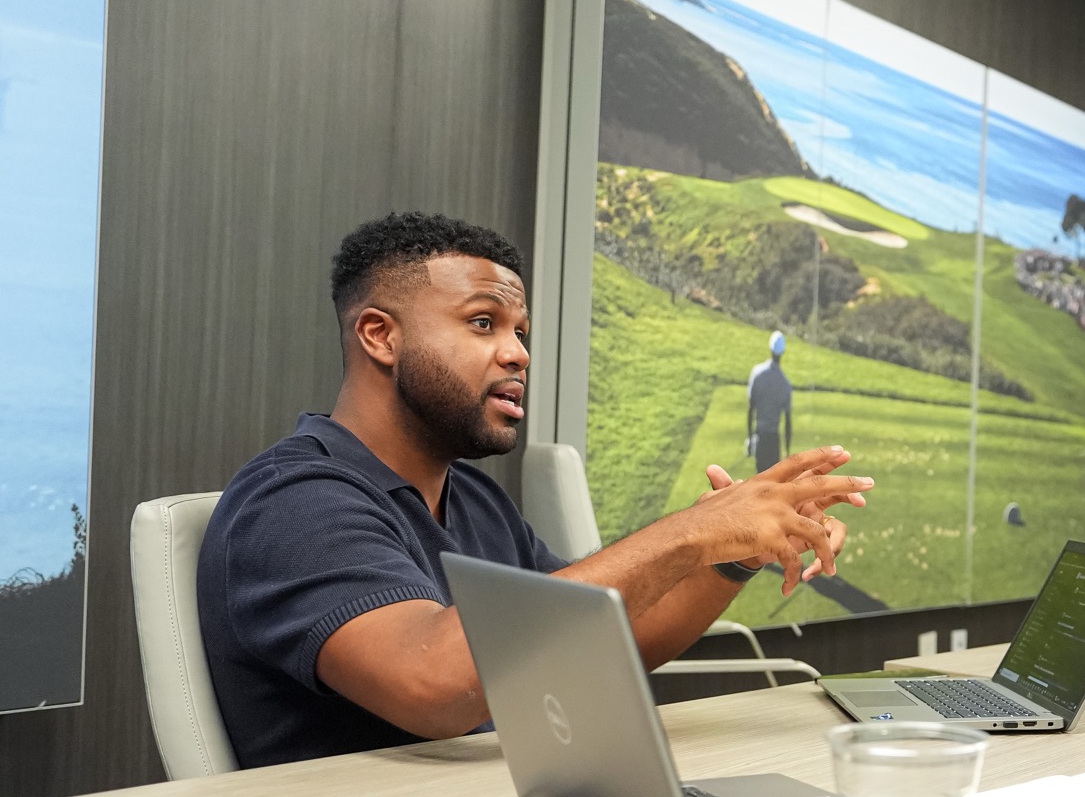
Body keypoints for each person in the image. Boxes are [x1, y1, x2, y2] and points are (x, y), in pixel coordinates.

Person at [199, 213, 870, 768]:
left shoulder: (476, 501)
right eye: (483, 322)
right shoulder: (293, 500)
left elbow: (605, 643)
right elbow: (436, 683)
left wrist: (733, 550)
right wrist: (692, 531)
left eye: (520, 332)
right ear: (380, 336)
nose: (519, 353)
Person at [747, 329, 793, 474]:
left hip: (760, 437)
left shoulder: (757, 373)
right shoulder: (785, 383)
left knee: (759, 481)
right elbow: (788, 422)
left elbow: (751, 408)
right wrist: (788, 450)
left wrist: (749, 439)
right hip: (774, 441)